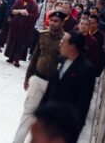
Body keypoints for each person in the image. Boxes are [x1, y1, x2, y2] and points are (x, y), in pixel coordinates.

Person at [13, 11, 66, 143]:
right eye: (52, 20)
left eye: (56, 21)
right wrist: (27, 77)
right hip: (37, 79)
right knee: (28, 113)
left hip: (53, 85)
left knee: (45, 120)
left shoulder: (65, 40)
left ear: (62, 23)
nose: (53, 23)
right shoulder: (43, 35)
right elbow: (35, 57)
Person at [39, 32, 96, 135]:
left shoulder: (86, 70)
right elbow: (50, 89)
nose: (60, 44)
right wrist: (40, 112)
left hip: (64, 125)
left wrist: (74, 132)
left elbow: (83, 104)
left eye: (63, 42)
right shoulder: (60, 59)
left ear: (72, 46)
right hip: (48, 118)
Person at [4, 0, 38, 67]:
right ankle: (11, 57)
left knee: (21, 44)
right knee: (12, 41)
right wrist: (19, 11)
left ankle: (17, 60)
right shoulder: (18, 1)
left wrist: (27, 14)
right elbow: (11, 11)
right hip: (15, 26)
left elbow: (35, 17)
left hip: (25, 28)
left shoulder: (34, 5)